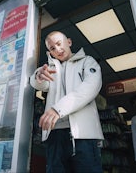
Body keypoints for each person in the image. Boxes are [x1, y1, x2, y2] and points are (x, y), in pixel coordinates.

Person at [30, 31, 104, 173]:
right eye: (52, 48)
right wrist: (38, 76)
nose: (57, 49)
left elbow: (91, 87)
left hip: (83, 134)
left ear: (69, 42)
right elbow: (40, 84)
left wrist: (58, 109)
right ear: (50, 52)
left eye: (59, 43)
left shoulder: (87, 61)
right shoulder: (50, 68)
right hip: (55, 135)